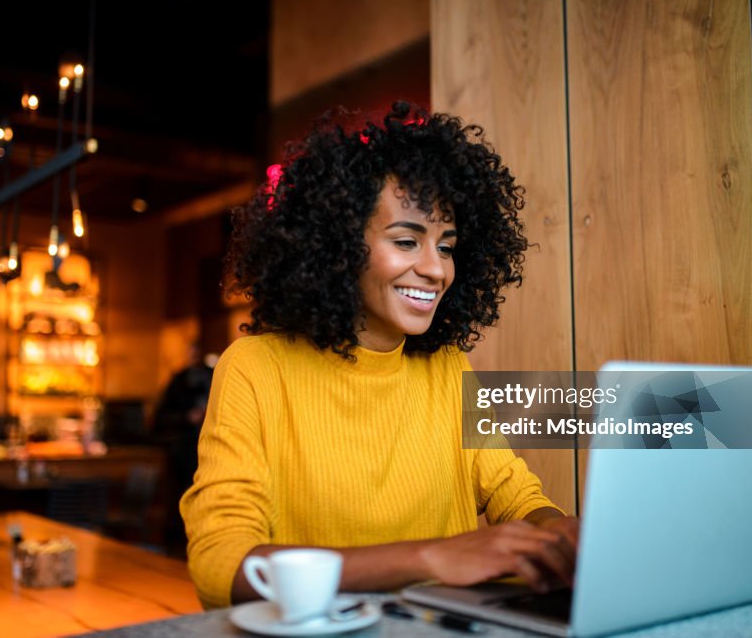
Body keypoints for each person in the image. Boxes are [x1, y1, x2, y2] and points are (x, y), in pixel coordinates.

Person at [181, 101, 579, 609]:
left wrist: (560, 536)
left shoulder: (447, 365)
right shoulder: (256, 368)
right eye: (407, 241)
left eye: (447, 246)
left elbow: (515, 495)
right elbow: (222, 566)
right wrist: (430, 558)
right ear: (341, 247)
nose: (436, 270)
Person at [155, 341, 214, 547]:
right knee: (183, 494)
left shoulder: (216, 375)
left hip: (213, 449)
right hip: (185, 450)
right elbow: (160, 418)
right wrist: (187, 417)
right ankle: (182, 538)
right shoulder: (178, 381)